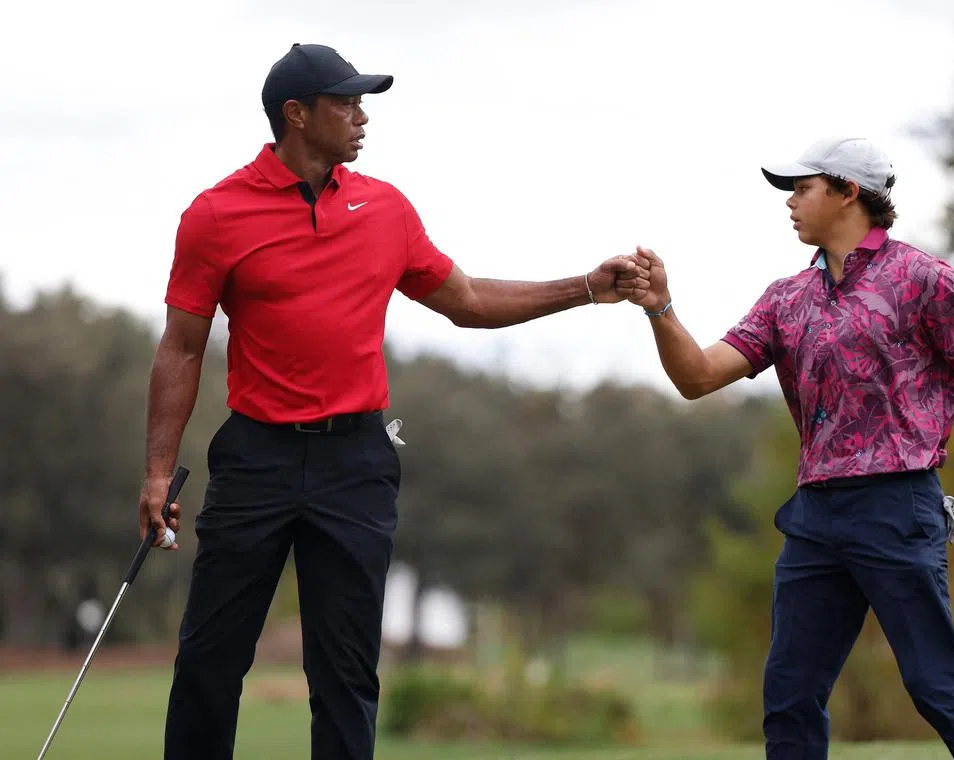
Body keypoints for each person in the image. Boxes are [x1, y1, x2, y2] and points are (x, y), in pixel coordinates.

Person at [139, 42, 648, 760]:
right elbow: (182, 347)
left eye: (361, 102)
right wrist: (158, 472)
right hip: (258, 457)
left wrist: (586, 287)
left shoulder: (384, 208)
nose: (361, 116)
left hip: (357, 462)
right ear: (297, 114)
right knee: (209, 662)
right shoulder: (217, 215)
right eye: (345, 103)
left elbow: (466, 302)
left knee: (346, 673)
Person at [628, 136, 954, 759]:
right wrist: (661, 309)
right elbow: (697, 377)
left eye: (802, 189)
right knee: (790, 694)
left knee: (936, 683)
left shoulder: (922, 279)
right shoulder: (786, 299)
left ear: (848, 192)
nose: (790, 204)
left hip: (898, 504)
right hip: (816, 517)